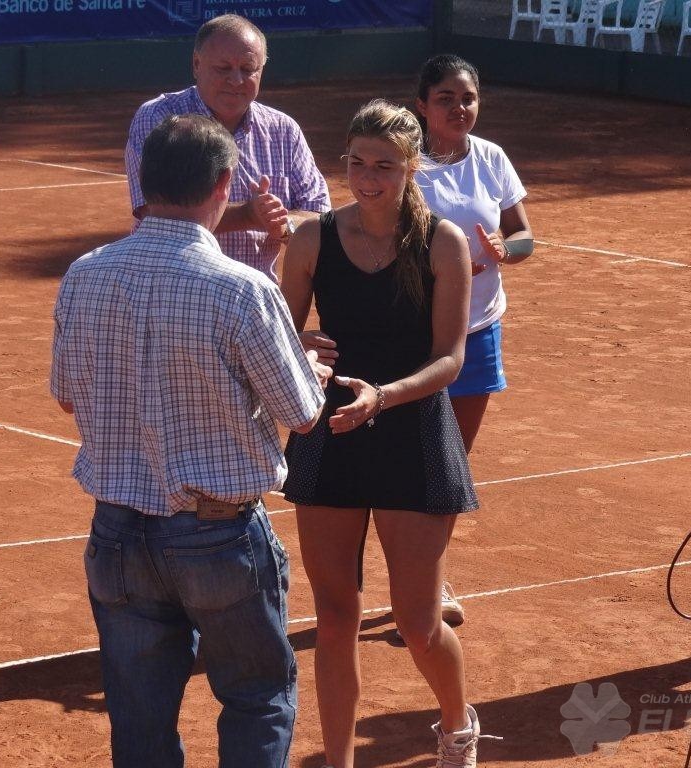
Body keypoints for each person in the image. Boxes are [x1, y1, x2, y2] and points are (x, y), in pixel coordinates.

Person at [52, 113, 330, 768]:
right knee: (258, 696)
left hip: (116, 533)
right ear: (224, 185)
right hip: (218, 536)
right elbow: (302, 412)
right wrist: (308, 368)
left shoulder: (85, 274)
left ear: (144, 183)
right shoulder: (244, 289)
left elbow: (66, 394)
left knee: (139, 715)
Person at [281, 99, 493, 768]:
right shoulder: (311, 239)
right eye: (357, 164)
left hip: (413, 437)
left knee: (418, 624)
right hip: (332, 434)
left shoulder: (443, 243)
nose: (368, 179)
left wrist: (384, 398)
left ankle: (457, 724)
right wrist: (298, 346)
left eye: (384, 167)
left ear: (410, 170)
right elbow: (282, 337)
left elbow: (450, 358)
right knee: (334, 617)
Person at [414, 53, 535, 626]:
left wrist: (507, 250)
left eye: (468, 98)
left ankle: (430, 580)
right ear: (422, 105)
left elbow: (524, 234)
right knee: (409, 457)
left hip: (479, 329)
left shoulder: (491, 158)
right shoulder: (403, 163)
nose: (459, 108)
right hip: (413, 334)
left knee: (451, 463)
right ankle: (405, 570)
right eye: (446, 98)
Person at [124, 14, 330, 281]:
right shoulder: (159, 117)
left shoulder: (284, 129)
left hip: (252, 292)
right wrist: (249, 215)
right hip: (169, 286)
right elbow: (155, 213)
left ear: (262, 70)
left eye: (248, 69)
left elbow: (319, 215)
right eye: (223, 68)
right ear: (196, 64)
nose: (236, 80)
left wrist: (282, 222)